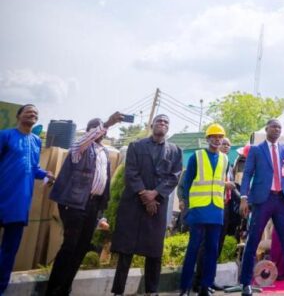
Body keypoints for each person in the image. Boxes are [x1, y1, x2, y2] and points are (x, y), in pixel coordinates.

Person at [46, 113, 124, 296]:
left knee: (81, 248)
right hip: (74, 204)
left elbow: (104, 181)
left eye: (101, 129)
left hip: (93, 206)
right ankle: (53, 290)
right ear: (89, 131)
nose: (100, 131)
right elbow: (85, 141)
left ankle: (65, 288)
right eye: (95, 128)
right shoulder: (78, 148)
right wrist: (106, 123)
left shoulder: (104, 152)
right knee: (70, 245)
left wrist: (101, 211)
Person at [239, 119, 284, 296]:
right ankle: (245, 284)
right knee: (253, 240)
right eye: (273, 126)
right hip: (262, 200)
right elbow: (247, 173)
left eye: (279, 127)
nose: (277, 129)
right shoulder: (257, 150)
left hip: (282, 201)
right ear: (266, 129)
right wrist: (244, 197)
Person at [111, 114, 182, 296]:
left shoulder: (175, 151)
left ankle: (152, 291)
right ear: (152, 125)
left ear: (168, 128)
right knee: (126, 251)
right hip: (133, 205)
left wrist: (155, 194)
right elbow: (131, 173)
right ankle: (118, 291)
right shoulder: (136, 146)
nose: (162, 124)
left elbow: (174, 176)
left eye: (166, 122)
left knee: (154, 252)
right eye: (159, 121)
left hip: (157, 207)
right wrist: (145, 195)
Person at [0, 104, 53, 294]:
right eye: (28, 111)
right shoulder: (5, 136)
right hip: (2, 197)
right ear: (18, 115)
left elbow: (33, 168)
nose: (33, 114)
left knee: (9, 251)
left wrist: (47, 174)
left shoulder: (37, 141)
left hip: (20, 204)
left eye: (36, 113)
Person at [178, 124, 230, 296]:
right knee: (193, 248)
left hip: (216, 209)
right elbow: (186, 183)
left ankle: (205, 286)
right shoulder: (196, 156)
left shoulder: (225, 159)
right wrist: (187, 204)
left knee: (212, 250)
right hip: (199, 209)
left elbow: (221, 183)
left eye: (219, 136)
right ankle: (184, 288)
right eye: (213, 136)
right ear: (207, 139)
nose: (217, 139)